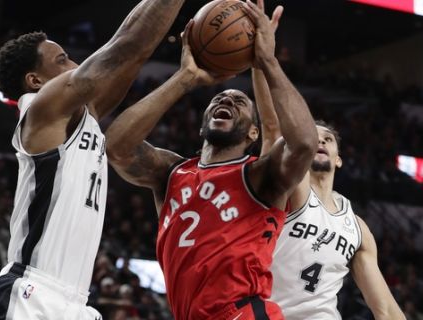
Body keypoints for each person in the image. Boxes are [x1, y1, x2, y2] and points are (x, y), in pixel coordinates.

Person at [0, 0, 186, 319]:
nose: (75, 63)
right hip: (30, 294)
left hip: (75, 302)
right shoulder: (41, 110)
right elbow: (126, 45)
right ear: (35, 82)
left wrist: (190, 75)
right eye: (63, 59)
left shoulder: (84, 114)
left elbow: (134, 55)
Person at [105, 1, 317, 319]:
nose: (227, 98)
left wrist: (267, 62)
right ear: (204, 120)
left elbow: (303, 144)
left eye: (239, 102)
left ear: (252, 135)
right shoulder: (171, 173)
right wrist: (184, 79)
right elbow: (117, 147)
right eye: (220, 97)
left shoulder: (259, 177)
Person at [251, 66, 406, 319]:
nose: (320, 141)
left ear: (339, 160)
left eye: (328, 139)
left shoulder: (357, 228)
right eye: (314, 138)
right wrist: (262, 62)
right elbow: (272, 128)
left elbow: (386, 309)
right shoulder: (288, 191)